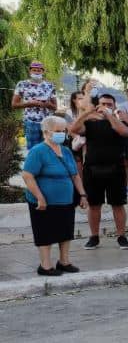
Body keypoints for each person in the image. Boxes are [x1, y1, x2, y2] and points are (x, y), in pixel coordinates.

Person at [21, 115, 87, 275]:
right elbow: (27, 175)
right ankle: (45, 265)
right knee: (45, 232)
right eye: (58, 131)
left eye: (63, 131)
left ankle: (64, 261)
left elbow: (75, 175)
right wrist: (39, 197)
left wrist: (82, 194)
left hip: (65, 199)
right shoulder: (38, 151)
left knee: (65, 231)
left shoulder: (65, 150)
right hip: (44, 201)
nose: (62, 134)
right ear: (46, 132)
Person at [69, 92, 128, 250]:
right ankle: (94, 236)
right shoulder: (89, 123)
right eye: (103, 104)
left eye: (110, 104)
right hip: (93, 169)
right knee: (94, 205)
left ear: (114, 106)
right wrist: (88, 112)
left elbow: (124, 132)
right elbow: (74, 129)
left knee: (118, 204)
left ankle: (121, 236)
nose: (106, 107)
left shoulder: (118, 122)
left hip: (116, 168)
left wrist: (110, 116)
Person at [12, 60, 57, 151]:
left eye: (39, 70)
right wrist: (30, 103)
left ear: (43, 71)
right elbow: (14, 104)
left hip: (47, 123)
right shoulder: (22, 84)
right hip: (30, 122)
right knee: (33, 150)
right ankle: (34, 165)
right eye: (34, 70)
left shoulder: (50, 86)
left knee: (47, 149)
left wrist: (47, 104)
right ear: (30, 71)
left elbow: (55, 107)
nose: (36, 72)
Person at [65, 90, 92, 170]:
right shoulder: (69, 112)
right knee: (77, 163)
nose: (82, 101)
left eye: (83, 99)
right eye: (79, 98)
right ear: (74, 100)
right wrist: (80, 140)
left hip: (88, 141)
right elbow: (69, 129)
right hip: (75, 141)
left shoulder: (88, 111)